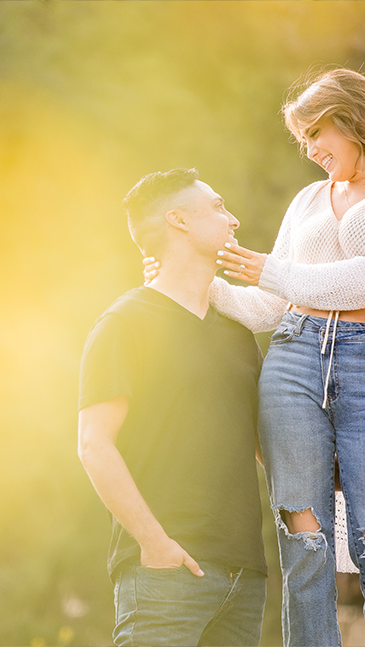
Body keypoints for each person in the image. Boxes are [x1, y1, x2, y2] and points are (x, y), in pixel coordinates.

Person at [145, 68, 365, 646]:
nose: (311, 150)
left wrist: (271, 269)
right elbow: (269, 307)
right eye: (303, 140)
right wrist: (195, 283)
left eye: (317, 132)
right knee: (302, 535)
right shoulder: (309, 200)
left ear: (356, 118)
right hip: (293, 359)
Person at [78, 168, 268, 647]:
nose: (234, 219)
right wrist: (154, 543)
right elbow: (94, 445)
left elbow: (265, 446)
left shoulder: (238, 336)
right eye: (219, 207)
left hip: (245, 575)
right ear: (178, 221)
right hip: (166, 573)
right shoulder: (125, 322)